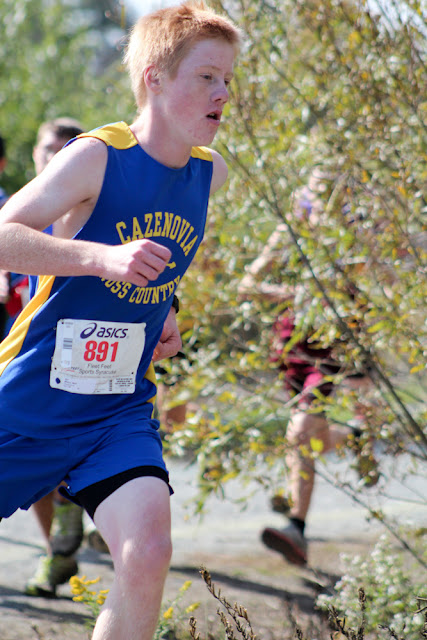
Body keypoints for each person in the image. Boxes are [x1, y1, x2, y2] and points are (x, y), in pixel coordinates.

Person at [0, 3, 241, 639]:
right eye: (207, 77)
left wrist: (167, 309)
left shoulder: (209, 173)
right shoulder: (98, 156)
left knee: (147, 552)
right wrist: (99, 258)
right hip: (28, 399)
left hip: (115, 411)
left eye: (227, 80)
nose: (222, 93)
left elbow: (160, 260)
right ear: (155, 77)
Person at [239, 177, 378, 567]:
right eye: (315, 193)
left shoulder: (353, 237)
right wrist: (289, 293)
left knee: (300, 430)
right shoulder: (289, 233)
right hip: (293, 349)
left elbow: (381, 284)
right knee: (310, 436)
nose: (322, 202)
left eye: (332, 192)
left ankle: (296, 527)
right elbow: (247, 285)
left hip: (333, 350)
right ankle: (353, 439)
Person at [18, 117, 93, 598]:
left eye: (70, 149)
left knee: (73, 454)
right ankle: (57, 554)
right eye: (50, 147)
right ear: (35, 153)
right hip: (15, 352)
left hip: (74, 353)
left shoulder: (91, 209)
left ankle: (79, 523)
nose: (57, 156)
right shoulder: (13, 211)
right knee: (31, 465)